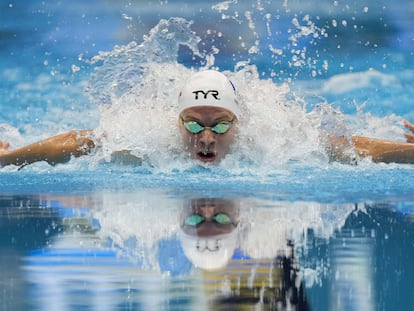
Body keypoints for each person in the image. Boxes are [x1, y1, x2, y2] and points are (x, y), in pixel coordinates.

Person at [1, 70, 414, 168]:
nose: (206, 138)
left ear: (239, 123)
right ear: (176, 122)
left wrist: (407, 153)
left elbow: (349, 147)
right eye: (194, 124)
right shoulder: (151, 138)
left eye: (219, 124)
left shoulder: (270, 140)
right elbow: (77, 142)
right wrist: (7, 159)